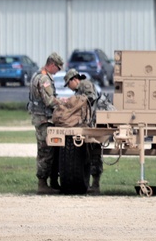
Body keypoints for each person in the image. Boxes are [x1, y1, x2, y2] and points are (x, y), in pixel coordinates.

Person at [65, 68, 114, 194]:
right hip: (90, 121)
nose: (69, 87)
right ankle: (93, 183)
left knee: (95, 153)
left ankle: (95, 184)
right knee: (91, 153)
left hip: (94, 123)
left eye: (68, 84)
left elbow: (90, 99)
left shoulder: (85, 84)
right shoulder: (80, 87)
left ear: (74, 80)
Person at [28, 52, 65, 194]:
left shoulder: (37, 76)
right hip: (44, 120)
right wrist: (62, 103)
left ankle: (51, 182)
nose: (58, 71)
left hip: (42, 119)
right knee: (45, 152)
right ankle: (42, 184)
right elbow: (49, 101)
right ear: (51, 65)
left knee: (49, 150)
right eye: (58, 68)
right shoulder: (44, 79)